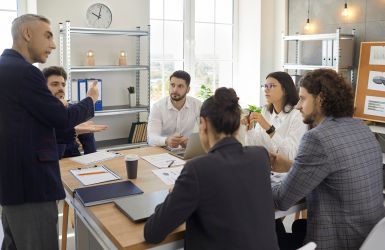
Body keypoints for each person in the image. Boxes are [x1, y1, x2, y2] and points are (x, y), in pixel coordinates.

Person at [0, 14, 98, 250]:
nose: (53, 44)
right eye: (48, 36)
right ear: (27, 34)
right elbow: (62, 119)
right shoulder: (25, 72)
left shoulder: (5, 67)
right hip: (31, 187)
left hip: (12, 184)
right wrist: (90, 100)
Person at [144, 87, 279, 249]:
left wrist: (174, 194)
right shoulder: (260, 156)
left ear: (203, 124)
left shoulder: (198, 169)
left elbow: (153, 232)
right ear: (238, 125)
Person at [270, 69, 385, 249]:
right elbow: (337, 173)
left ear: (320, 99)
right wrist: (291, 166)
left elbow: (282, 199)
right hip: (370, 239)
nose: (298, 105)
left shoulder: (317, 138)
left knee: (268, 231)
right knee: (295, 226)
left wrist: (253, 178)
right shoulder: (361, 128)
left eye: (303, 98)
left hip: (336, 242)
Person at [42, 66, 108, 158]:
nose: (61, 88)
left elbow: (91, 151)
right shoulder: (40, 113)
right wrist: (75, 131)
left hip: (75, 161)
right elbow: (55, 153)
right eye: (55, 84)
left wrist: (92, 163)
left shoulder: (73, 110)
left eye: (63, 84)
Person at [243, 71, 307, 160]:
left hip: (285, 172)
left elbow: (291, 155)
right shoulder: (265, 111)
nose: (266, 89)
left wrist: (269, 129)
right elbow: (254, 148)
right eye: (265, 86)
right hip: (266, 168)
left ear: (285, 90)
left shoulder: (297, 115)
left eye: (271, 86)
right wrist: (250, 129)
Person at [147, 70, 201, 148]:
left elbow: (207, 134)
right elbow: (151, 138)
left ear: (188, 89)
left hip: (187, 151)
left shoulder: (198, 105)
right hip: (163, 151)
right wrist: (166, 140)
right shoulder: (157, 107)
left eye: (180, 86)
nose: (175, 90)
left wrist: (190, 141)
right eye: (172, 85)